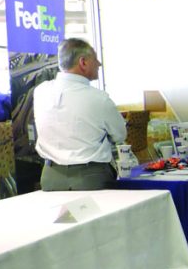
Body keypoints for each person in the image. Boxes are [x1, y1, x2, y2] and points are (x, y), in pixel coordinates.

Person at [34, 38, 127, 191]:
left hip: (50, 177)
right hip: (90, 177)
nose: (99, 64)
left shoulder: (40, 92)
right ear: (83, 62)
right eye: (95, 59)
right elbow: (120, 135)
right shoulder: (99, 98)